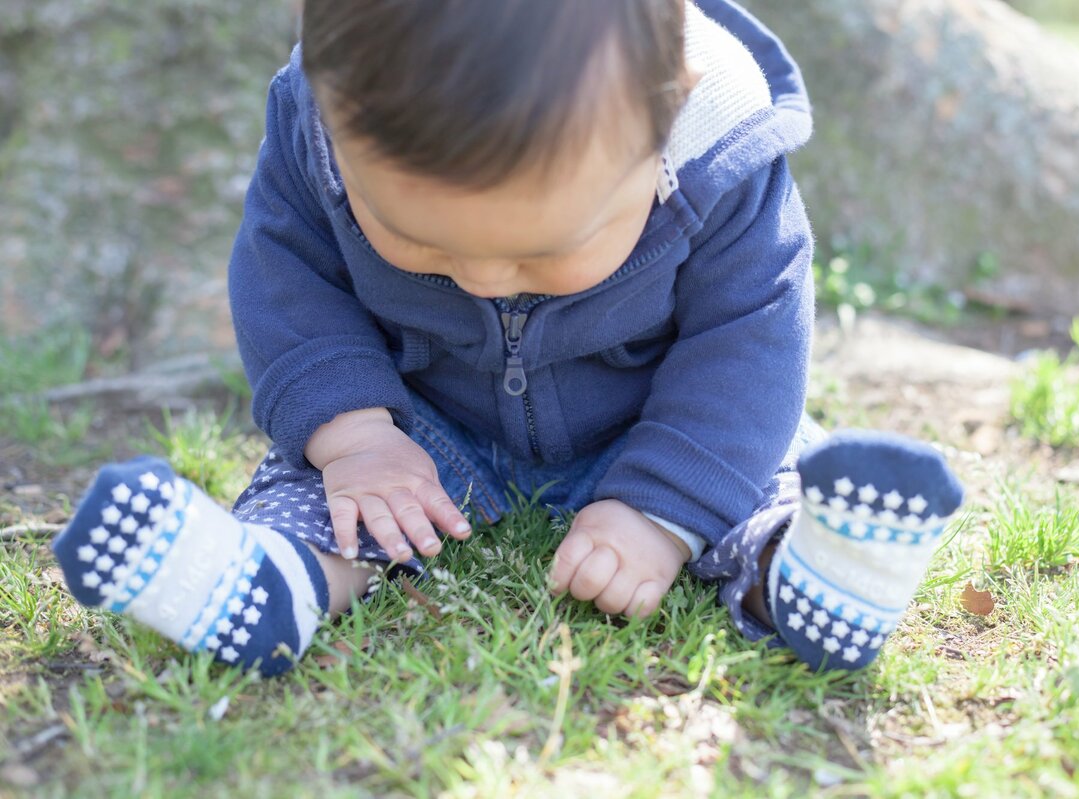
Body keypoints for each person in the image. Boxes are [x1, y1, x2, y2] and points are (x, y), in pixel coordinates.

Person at [52, 0, 963, 676]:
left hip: (653, 424)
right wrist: (356, 436)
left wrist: (659, 512)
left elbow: (748, 344)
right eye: (417, 240)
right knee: (332, 495)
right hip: (418, 428)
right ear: (334, 122)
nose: (483, 279)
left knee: (755, 471)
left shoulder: (724, 164)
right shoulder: (319, 129)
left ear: (666, 119)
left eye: (547, 247)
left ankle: (802, 573)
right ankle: (264, 582)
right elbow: (289, 281)